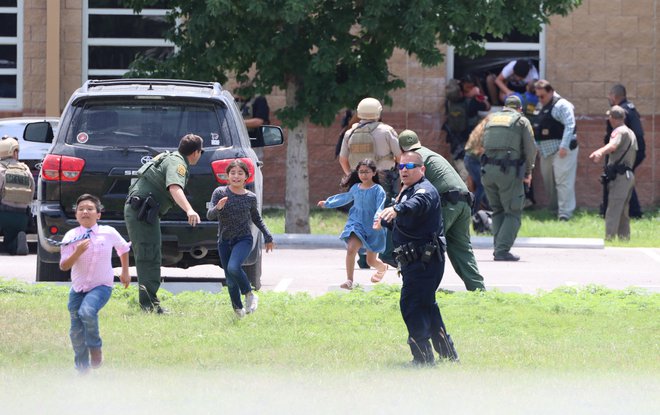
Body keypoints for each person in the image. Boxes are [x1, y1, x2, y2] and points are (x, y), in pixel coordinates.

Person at [375, 151, 458, 365]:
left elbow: (416, 205)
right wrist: (385, 218)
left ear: (422, 169)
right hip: (415, 262)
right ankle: (448, 354)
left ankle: (422, 358)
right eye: (400, 167)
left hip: (425, 262)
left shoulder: (424, 190)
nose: (404, 171)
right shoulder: (407, 191)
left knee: (411, 305)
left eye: (409, 167)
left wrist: (397, 208)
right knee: (426, 306)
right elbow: (406, 221)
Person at [125, 133, 203, 313]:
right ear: (196, 152)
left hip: (142, 211)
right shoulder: (178, 163)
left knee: (149, 254)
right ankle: (149, 305)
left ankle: (148, 301)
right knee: (149, 256)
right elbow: (174, 187)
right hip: (141, 211)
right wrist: (189, 209)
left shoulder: (170, 156)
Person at [398, 130, 485, 291]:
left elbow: (407, 190)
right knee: (461, 248)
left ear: (400, 148)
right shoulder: (429, 154)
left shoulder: (411, 160)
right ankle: (478, 290)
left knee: (427, 243)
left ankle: (421, 287)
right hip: (464, 201)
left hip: (446, 203)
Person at [59, 194, 131, 373]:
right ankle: (82, 369)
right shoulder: (71, 236)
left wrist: (125, 272)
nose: (85, 212)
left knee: (87, 311)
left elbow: (123, 248)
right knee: (75, 332)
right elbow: (64, 265)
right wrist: (77, 252)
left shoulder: (109, 232)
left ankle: (95, 347)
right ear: (76, 215)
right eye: (81, 209)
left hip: (102, 286)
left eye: (90, 209)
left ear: (98, 214)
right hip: (78, 289)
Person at [207, 159, 275, 317]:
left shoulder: (250, 197)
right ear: (227, 176)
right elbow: (210, 215)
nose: (236, 176)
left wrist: (268, 235)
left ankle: (250, 294)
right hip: (224, 241)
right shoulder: (219, 193)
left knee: (233, 267)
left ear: (247, 177)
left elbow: (256, 218)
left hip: (243, 239)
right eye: (232, 173)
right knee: (230, 280)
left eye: (240, 173)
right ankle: (239, 311)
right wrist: (218, 208)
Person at [339, 97, 401, 266]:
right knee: (385, 215)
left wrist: (354, 176)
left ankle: (364, 258)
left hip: (359, 180)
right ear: (378, 112)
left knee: (361, 217)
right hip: (384, 179)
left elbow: (343, 159)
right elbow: (399, 156)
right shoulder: (386, 131)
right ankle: (385, 254)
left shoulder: (350, 132)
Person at [480, 95, 537, 261]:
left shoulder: (491, 119)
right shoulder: (521, 121)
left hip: (487, 171)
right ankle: (502, 250)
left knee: (497, 210)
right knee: (513, 212)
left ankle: (498, 246)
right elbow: (531, 149)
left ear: (505, 107)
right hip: (508, 172)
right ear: (519, 109)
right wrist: (528, 172)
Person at [317, 159, 388, 290]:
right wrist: (328, 203)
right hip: (356, 223)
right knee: (351, 249)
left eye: (367, 172)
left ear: (374, 173)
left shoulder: (378, 190)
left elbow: (380, 207)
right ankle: (349, 281)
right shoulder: (356, 188)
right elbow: (344, 198)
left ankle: (382, 268)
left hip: (373, 226)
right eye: (361, 172)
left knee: (370, 261)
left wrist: (378, 220)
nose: (363, 175)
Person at [590, 106, 638, 240]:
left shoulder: (618, 131)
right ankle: (624, 238)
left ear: (612, 118)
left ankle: (609, 237)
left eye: (609, 117)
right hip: (628, 176)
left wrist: (600, 152)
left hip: (620, 176)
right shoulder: (630, 132)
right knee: (623, 211)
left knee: (613, 209)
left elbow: (613, 145)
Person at [533, 79, 578, 221]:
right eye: (538, 96)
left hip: (562, 149)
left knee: (563, 181)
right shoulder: (541, 105)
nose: (540, 99)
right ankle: (554, 209)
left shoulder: (562, 105)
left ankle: (565, 213)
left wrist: (564, 146)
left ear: (551, 92)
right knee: (549, 181)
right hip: (546, 151)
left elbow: (570, 125)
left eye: (542, 96)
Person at [602, 84, 645, 219]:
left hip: (625, 152)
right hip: (635, 150)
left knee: (616, 177)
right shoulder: (630, 108)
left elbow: (618, 135)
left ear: (614, 97)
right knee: (624, 178)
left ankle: (631, 212)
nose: (608, 98)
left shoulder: (619, 112)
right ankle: (631, 212)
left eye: (609, 95)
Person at [443, 75, 490, 183]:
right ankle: (466, 198)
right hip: (468, 144)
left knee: (455, 174)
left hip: (455, 145)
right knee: (467, 175)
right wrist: (478, 94)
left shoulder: (449, 103)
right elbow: (487, 107)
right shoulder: (471, 102)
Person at [0, 136, 34, 256]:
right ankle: (16, 241)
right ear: (13, 152)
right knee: (11, 241)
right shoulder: (26, 169)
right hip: (21, 218)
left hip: (2, 215)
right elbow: (31, 195)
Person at [464, 116, 491, 213]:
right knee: (482, 186)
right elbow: (482, 150)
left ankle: (485, 209)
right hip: (473, 161)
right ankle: (473, 212)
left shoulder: (479, 129)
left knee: (482, 185)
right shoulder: (486, 132)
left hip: (470, 159)